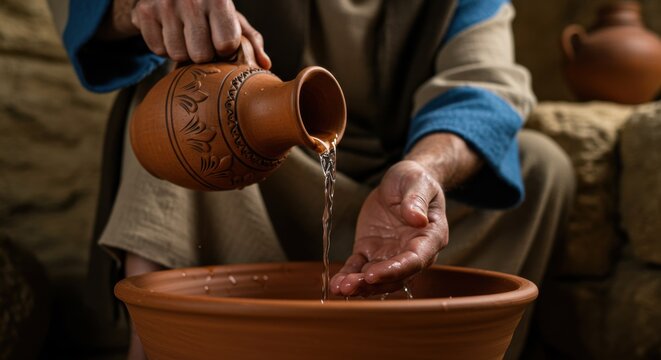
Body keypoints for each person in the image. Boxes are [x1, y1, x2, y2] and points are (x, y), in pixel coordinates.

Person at [50, 0, 575, 359]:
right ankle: (162, 344)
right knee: (190, 123)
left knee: (540, 167)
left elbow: (482, 85)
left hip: (394, 180)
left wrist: (424, 171)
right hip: (268, 167)